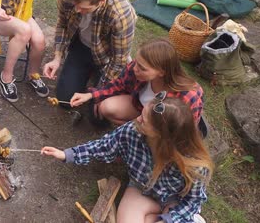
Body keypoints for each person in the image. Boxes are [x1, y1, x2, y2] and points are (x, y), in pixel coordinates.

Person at [42, 95, 213, 223]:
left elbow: (193, 200)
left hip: (173, 200)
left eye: (144, 120)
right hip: (141, 190)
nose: (137, 119)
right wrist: (67, 154)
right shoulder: (133, 131)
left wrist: (168, 219)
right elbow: (104, 146)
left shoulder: (194, 164)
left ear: (162, 135)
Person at [42, 0, 136, 106]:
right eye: (76, 5)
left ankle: (96, 75)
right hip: (81, 47)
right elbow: (62, 25)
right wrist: (57, 58)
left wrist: (96, 93)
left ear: (101, 1)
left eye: (84, 8)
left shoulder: (121, 15)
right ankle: (85, 71)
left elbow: (118, 60)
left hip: (107, 56)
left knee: (98, 114)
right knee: (66, 100)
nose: (77, 10)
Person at [70, 39, 205, 131]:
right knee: (106, 108)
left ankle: (140, 135)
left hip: (162, 128)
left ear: (162, 72)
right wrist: (90, 95)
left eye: (142, 68)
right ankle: (135, 131)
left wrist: (151, 131)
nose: (135, 69)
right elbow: (119, 84)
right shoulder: (137, 67)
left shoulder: (187, 96)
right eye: (137, 63)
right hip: (141, 110)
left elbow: (184, 132)